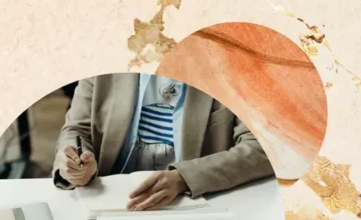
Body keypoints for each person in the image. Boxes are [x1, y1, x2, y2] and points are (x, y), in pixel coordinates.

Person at [52, 73, 273, 210]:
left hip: (197, 204)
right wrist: (73, 163)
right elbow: (77, 129)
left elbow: (261, 149)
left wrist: (185, 178)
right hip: (110, 201)